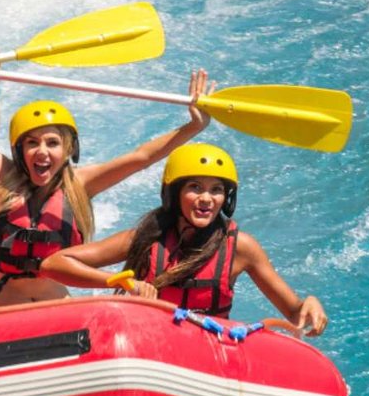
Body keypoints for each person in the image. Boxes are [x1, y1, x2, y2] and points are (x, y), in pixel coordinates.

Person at [0, 70, 214, 308]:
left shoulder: (82, 184)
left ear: (69, 149)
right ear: (20, 151)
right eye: (32, 143)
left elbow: (141, 157)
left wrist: (193, 127)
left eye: (52, 143)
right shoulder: (1, 175)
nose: (42, 151)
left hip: (58, 308)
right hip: (2, 307)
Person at [39, 143, 328, 334]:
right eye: (194, 187)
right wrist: (119, 281)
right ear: (174, 193)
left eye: (217, 190)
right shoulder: (145, 238)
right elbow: (53, 263)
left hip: (209, 352)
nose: (206, 199)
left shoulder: (241, 248)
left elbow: (294, 312)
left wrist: (310, 304)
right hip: (149, 346)